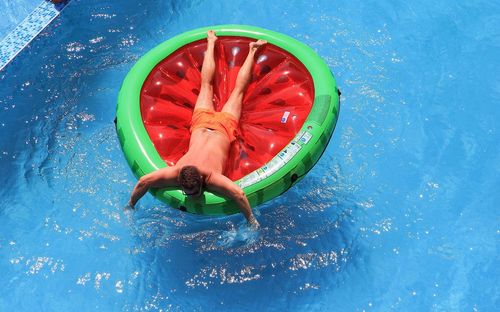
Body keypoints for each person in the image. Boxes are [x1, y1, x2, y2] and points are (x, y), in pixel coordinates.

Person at [127, 30, 266, 228]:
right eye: (188, 192)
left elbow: (239, 194)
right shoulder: (177, 173)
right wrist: (131, 204)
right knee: (209, 86)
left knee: (231, 90)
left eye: (193, 192)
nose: (192, 196)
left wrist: (251, 220)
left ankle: (248, 50)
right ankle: (215, 43)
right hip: (203, 124)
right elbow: (143, 182)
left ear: (201, 181)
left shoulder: (210, 177)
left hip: (222, 127)